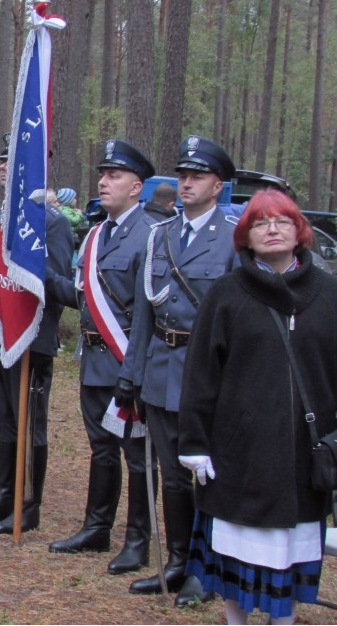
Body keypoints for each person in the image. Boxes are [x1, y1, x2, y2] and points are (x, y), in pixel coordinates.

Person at [179, 190, 337, 625]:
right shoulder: (226, 295)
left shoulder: (329, 294)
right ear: (245, 236)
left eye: (281, 221)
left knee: (288, 555)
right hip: (238, 457)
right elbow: (199, 376)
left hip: (303, 459)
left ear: (298, 231)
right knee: (236, 555)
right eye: (260, 223)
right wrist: (194, 442)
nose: (271, 230)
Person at [123, 136, 240, 605]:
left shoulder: (234, 237)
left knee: (210, 475)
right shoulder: (161, 235)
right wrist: (131, 375)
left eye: (197, 176)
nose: (186, 182)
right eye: (183, 175)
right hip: (161, 369)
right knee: (171, 474)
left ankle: (207, 570)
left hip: (210, 374)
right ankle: (176, 561)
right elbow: (143, 317)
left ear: (219, 185)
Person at [48, 140, 157, 576]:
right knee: (101, 450)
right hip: (94, 360)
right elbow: (84, 297)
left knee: (137, 456)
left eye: (114, 175)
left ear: (137, 186)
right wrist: (40, 273)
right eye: (103, 174)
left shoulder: (151, 234)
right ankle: (96, 528)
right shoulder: (95, 234)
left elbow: (149, 309)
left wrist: (136, 369)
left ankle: (137, 541)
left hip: (129, 361)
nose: (104, 181)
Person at [0, 142, 75, 533]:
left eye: (15, 162)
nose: (7, 168)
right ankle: (0, 495)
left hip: (27, 336)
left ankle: (29, 504)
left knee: (29, 423)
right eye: (3, 161)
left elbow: (57, 289)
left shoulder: (52, 222)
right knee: (3, 420)